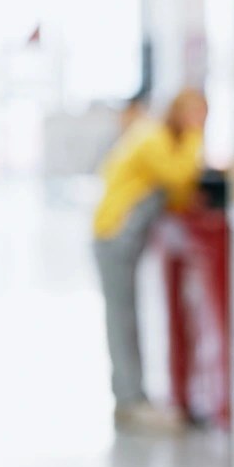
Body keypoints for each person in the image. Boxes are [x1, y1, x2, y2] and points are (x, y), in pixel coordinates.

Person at [93, 88, 208, 434]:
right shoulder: (154, 136)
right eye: (193, 113)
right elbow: (179, 178)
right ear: (177, 112)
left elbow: (179, 194)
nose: (198, 120)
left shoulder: (155, 135)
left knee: (127, 315)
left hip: (120, 236)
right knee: (123, 318)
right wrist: (195, 135)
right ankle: (130, 400)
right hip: (115, 235)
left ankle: (132, 396)